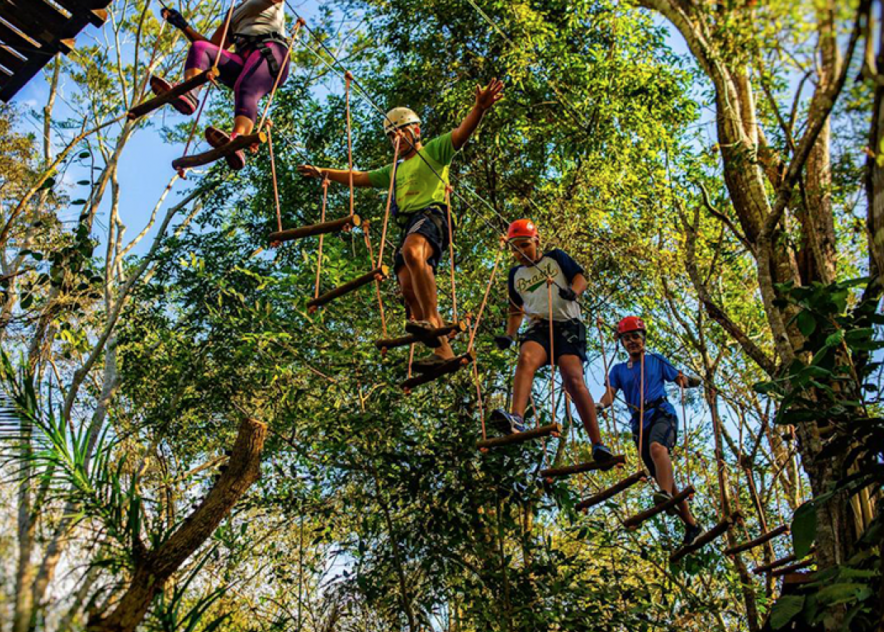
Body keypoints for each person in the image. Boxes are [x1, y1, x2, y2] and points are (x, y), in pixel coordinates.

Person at [298, 79, 505, 372]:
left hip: (433, 215)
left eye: (401, 132)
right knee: (408, 289)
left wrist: (479, 109)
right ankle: (443, 352)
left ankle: (433, 321)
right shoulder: (393, 170)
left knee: (412, 252)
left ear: (416, 130)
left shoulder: (433, 151)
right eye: (391, 136)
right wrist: (323, 172)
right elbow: (359, 177)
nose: (396, 139)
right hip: (410, 224)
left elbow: (461, 134)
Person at [489, 220, 614, 465]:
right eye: (515, 249)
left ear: (536, 241)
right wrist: (510, 335)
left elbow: (580, 278)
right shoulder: (516, 275)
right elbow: (516, 310)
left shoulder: (554, 258)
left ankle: (598, 443)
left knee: (573, 379)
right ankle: (517, 418)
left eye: (525, 245)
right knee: (525, 359)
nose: (521, 252)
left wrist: (573, 293)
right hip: (539, 328)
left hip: (568, 326)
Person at [595, 315, 704, 547]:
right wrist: (600, 405)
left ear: (643, 338)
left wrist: (691, 381)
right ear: (622, 343)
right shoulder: (618, 370)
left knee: (658, 449)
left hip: (662, 413)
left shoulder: (656, 360)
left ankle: (664, 495)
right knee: (663, 476)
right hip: (639, 425)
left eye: (635, 336)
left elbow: (679, 379)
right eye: (627, 338)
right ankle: (692, 525)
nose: (632, 341)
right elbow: (610, 394)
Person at [151, 1, 291, 170]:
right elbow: (214, 47)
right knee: (201, 48)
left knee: (246, 87)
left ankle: (239, 139)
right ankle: (190, 93)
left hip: (270, 53)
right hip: (242, 59)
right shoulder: (234, 11)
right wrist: (183, 26)